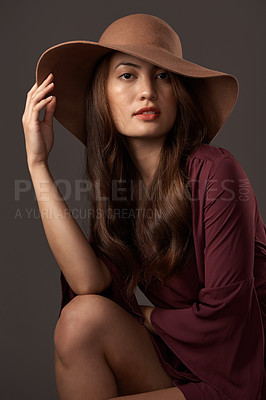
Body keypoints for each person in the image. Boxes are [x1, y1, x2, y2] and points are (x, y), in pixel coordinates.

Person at [21, 13, 266, 400]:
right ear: (102, 94)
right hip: (176, 358)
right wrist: (38, 165)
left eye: (163, 75)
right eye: (127, 75)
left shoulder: (217, 172)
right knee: (79, 321)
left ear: (179, 92)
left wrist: (145, 314)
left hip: (239, 371)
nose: (148, 91)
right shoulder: (121, 190)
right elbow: (89, 284)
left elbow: (228, 321)